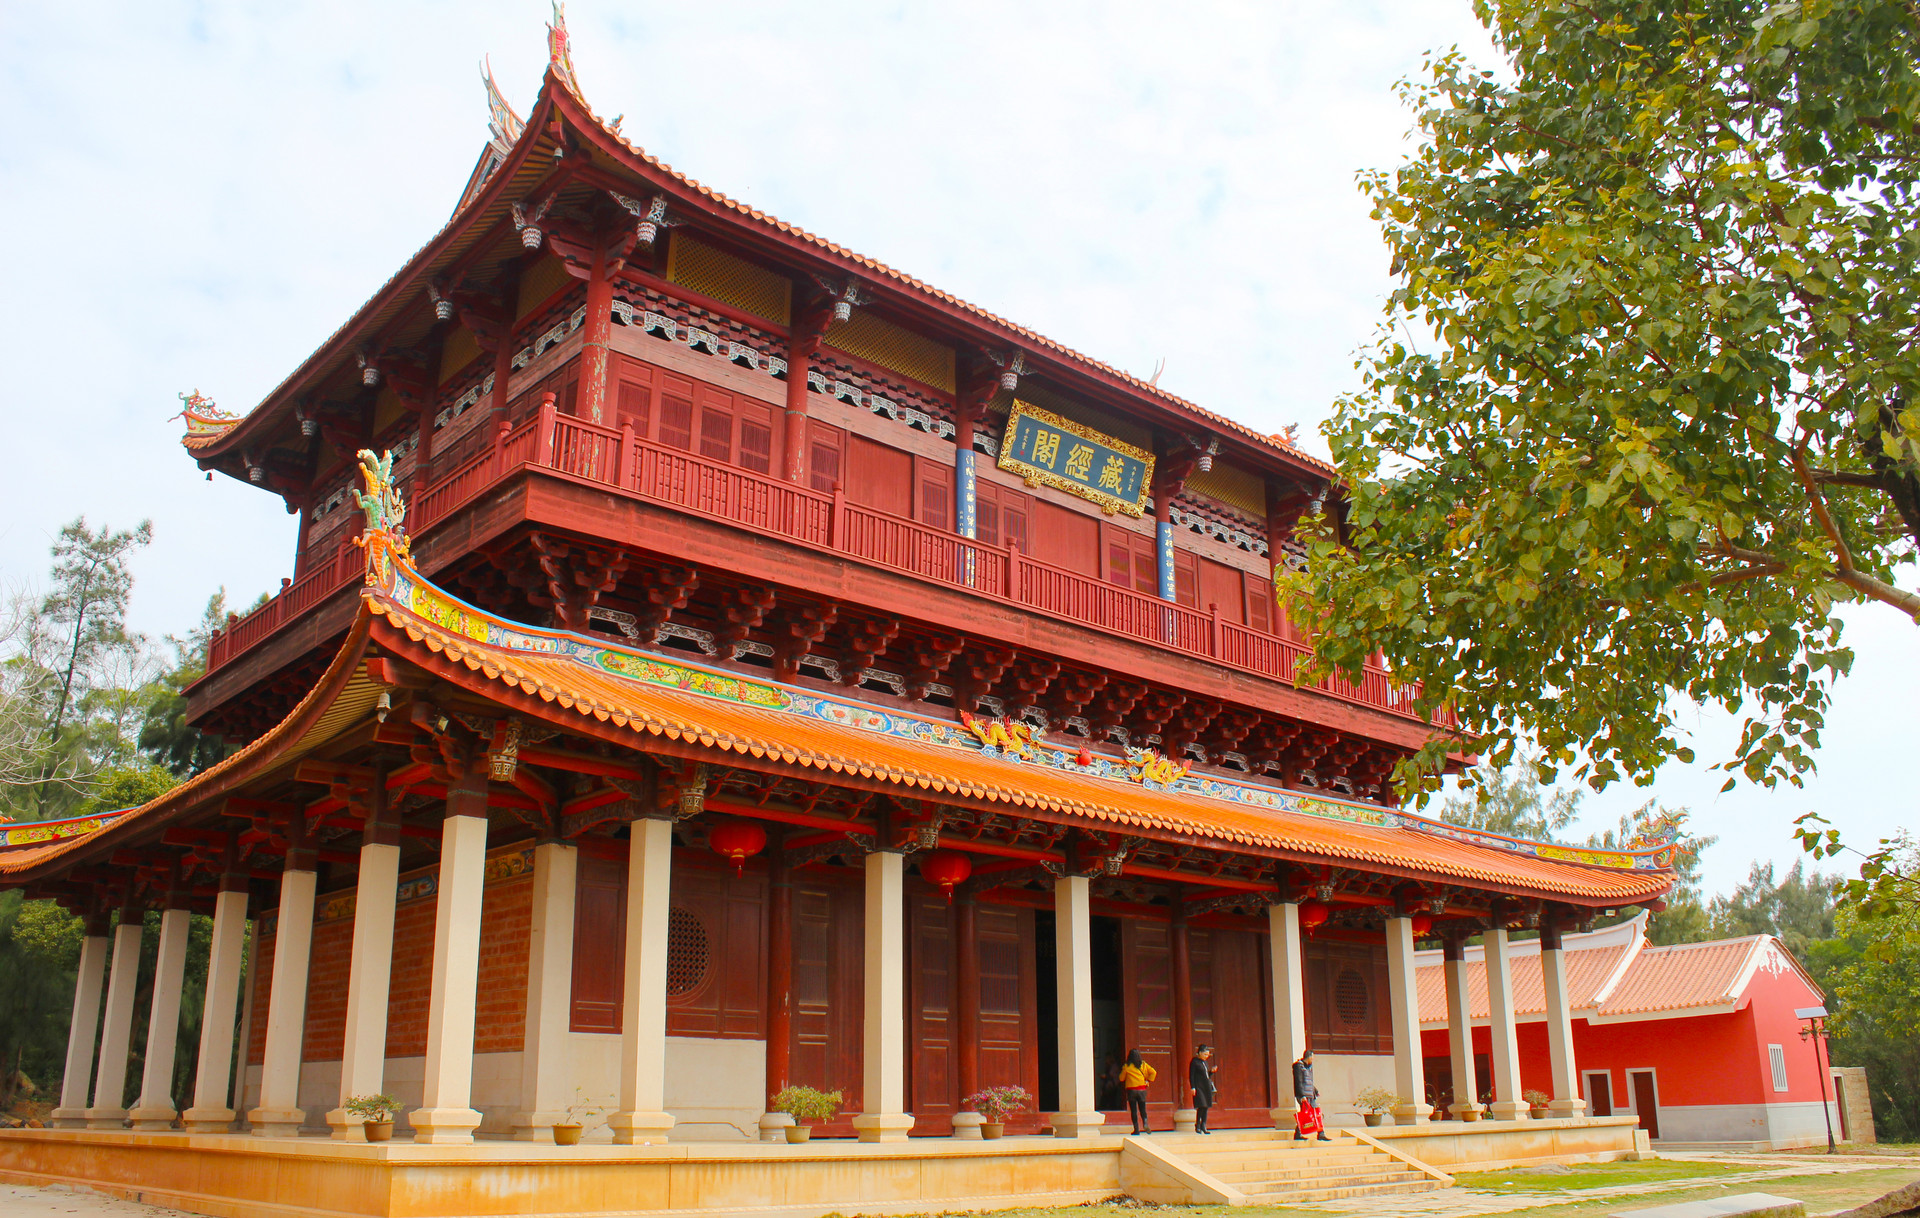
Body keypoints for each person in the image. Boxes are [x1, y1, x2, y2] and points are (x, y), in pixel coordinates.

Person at [1292, 1048, 1330, 1142]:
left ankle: (1321, 1133)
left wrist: (1315, 1090)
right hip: (1303, 1095)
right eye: (1312, 1057)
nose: (1313, 1059)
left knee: (1317, 1114)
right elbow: (1298, 1082)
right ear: (1308, 1057)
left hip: (1310, 1094)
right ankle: (1298, 1133)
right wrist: (1302, 1096)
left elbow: (1309, 1081)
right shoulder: (1299, 1066)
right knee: (1305, 1115)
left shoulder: (1309, 1067)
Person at [1119, 1048, 1157, 1135]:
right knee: (1143, 1109)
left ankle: (1136, 1129)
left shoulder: (1127, 1066)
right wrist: (1148, 1080)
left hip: (1131, 1091)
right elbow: (1153, 1072)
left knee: (1134, 1111)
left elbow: (1121, 1078)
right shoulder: (1143, 1064)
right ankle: (1145, 1123)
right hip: (1142, 1090)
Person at [1188, 1044, 1217, 1134]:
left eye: (1208, 1055)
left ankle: (1203, 1125)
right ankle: (1198, 1124)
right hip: (1199, 1086)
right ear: (1200, 1053)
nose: (1206, 1056)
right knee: (1201, 1105)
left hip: (1206, 1086)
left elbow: (1206, 1075)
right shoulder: (1194, 1062)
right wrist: (1193, 1087)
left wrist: (1211, 1071)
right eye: (1205, 1054)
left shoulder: (1205, 1063)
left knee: (1206, 1106)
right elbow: (1191, 1075)